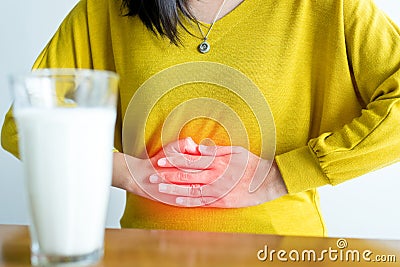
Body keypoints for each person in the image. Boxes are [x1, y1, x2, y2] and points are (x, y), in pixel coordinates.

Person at [2, 0, 400, 236]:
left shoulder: (330, 7)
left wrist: (282, 174)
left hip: (287, 252)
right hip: (146, 253)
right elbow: (25, 119)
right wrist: (131, 171)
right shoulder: (105, 8)